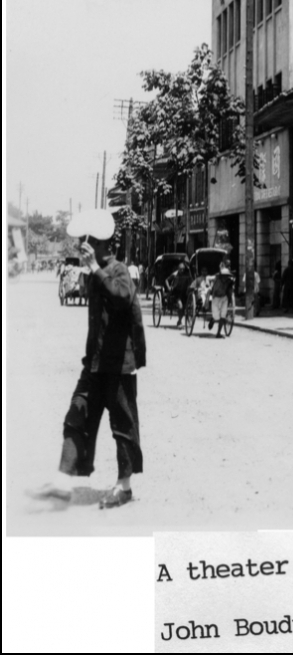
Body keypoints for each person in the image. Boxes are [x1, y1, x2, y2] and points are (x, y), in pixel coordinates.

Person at [29, 209, 146, 510]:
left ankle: (124, 488)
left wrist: (95, 267)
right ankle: (62, 483)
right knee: (76, 415)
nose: (81, 245)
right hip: (93, 364)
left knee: (122, 425)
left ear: (98, 243)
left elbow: (122, 298)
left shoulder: (119, 270)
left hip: (119, 366)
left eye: (86, 241)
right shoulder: (94, 274)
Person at [208, 261, 234, 336]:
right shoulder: (217, 279)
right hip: (216, 298)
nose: (225, 277)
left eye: (227, 276)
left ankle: (218, 333)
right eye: (224, 275)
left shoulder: (229, 281)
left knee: (223, 316)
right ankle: (213, 320)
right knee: (217, 317)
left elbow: (230, 291)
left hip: (224, 298)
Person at [165, 260, 192, 328]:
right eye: (180, 269)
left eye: (183, 269)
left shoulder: (187, 275)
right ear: (178, 269)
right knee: (180, 306)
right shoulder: (175, 274)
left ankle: (186, 319)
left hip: (185, 293)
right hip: (176, 292)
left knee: (187, 307)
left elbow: (191, 282)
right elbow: (166, 280)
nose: (182, 270)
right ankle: (179, 321)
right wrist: (168, 287)